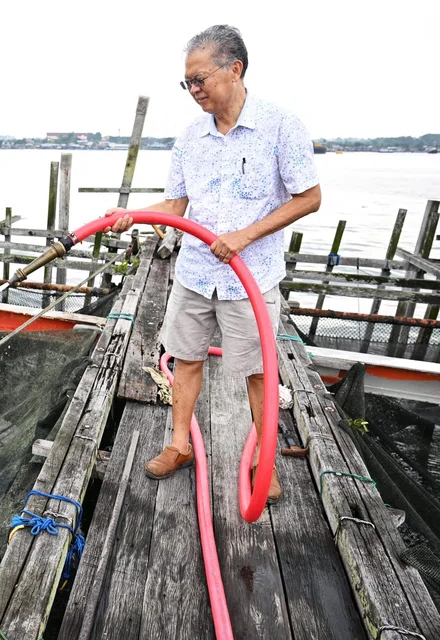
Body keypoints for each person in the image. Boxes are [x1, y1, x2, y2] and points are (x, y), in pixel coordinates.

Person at [109, 25, 321, 503]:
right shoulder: (191, 137)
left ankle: (264, 462)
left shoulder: (281, 126)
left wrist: (245, 236)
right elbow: (175, 206)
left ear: (235, 69)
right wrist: (132, 215)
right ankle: (179, 445)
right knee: (185, 359)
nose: (193, 90)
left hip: (252, 277)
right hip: (195, 273)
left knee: (259, 371)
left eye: (199, 79)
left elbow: (310, 198)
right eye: (187, 82)